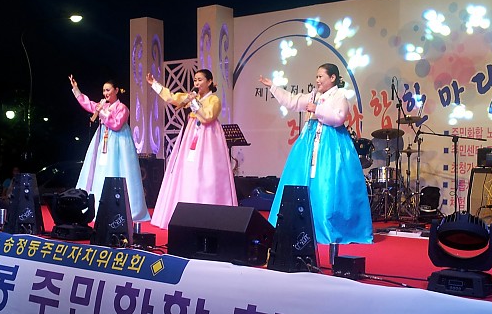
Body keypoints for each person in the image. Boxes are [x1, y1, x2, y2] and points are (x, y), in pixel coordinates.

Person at [258, 63, 373, 246]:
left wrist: (316, 110)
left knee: (328, 183)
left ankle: (328, 226)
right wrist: (273, 86)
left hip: (331, 144)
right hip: (309, 142)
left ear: (333, 78)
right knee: (302, 179)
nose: (317, 80)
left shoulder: (339, 96)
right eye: (317, 76)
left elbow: (339, 118)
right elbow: (292, 101)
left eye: (321, 76)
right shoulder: (313, 95)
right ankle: (298, 225)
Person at [146, 69, 238, 229]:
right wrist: (154, 84)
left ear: (209, 81)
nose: (196, 83)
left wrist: (193, 101)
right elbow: (171, 97)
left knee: (207, 171)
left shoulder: (214, 99)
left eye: (200, 80)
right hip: (191, 135)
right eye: (195, 80)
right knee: (187, 170)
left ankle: (210, 213)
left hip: (208, 137)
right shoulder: (191, 96)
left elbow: (208, 117)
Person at [69, 75, 150, 222]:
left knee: (118, 169)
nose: (105, 93)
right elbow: (88, 104)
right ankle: (99, 205)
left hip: (119, 143)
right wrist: (76, 89)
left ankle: (123, 207)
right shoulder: (103, 105)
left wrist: (102, 112)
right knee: (101, 170)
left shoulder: (122, 108)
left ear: (116, 90)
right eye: (104, 91)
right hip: (104, 141)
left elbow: (116, 125)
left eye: (108, 90)